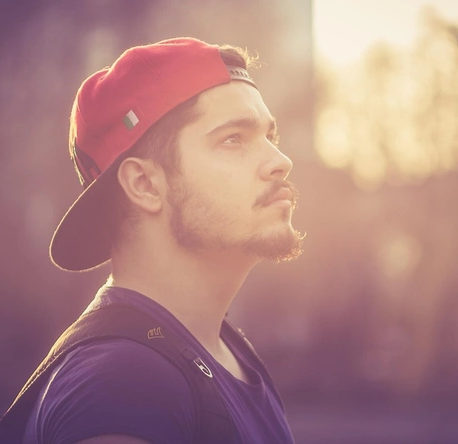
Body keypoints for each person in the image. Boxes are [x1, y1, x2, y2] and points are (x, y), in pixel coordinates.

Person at [21, 37, 303, 444]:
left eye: (269, 138)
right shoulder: (121, 384)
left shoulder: (227, 351)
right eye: (233, 139)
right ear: (145, 184)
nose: (281, 161)